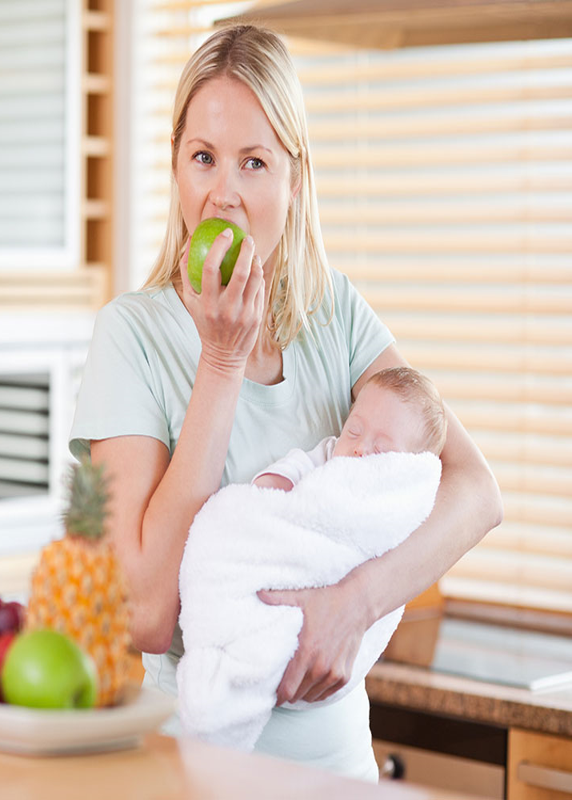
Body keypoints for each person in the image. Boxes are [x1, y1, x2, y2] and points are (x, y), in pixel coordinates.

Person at [69, 24, 502, 781]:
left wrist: (355, 604)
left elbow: (476, 490)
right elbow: (142, 613)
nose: (223, 192)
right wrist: (221, 360)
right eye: (202, 156)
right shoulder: (130, 337)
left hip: (337, 766)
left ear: (294, 180)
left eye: (254, 162)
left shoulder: (334, 316)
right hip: (193, 763)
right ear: (175, 165)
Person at [253, 365, 447, 491]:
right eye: (353, 431)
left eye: (380, 450)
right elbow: (301, 463)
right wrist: (279, 480)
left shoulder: (403, 494)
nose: (360, 448)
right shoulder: (331, 455)